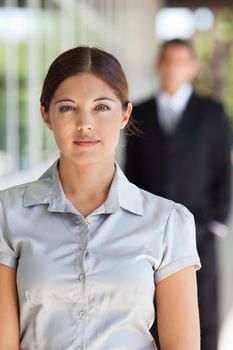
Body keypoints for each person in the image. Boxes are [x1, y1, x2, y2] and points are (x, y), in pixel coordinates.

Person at [0, 46, 201, 350]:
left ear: (125, 114)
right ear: (46, 115)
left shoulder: (168, 222)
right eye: (68, 107)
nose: (85, 124)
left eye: (102, 107)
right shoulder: (7, 213)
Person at [125, 38, 232, 350]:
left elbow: (223, 169)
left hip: (200, 226)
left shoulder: (212, 112)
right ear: (159, 65)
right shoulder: (139, 111)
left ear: (192, 67)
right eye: (167, 60)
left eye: (181, 61)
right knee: (153, 302)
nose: (173, 67)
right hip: (150, 227)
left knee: (204, 304)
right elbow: (131, 172)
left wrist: (217, 222)